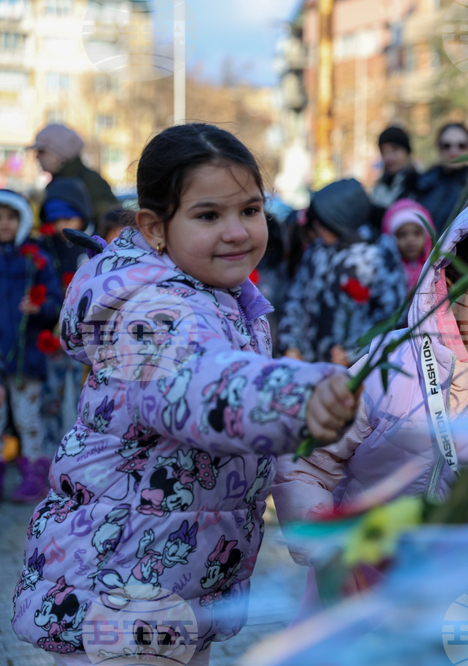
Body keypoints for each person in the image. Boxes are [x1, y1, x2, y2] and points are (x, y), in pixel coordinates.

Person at [11, 123, 359, 665]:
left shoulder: (226, 299)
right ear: (155, 228)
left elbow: (254, 441)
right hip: (119, 595)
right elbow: (196, 386)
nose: (237, 232)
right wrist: (296, 396)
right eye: (208, 215)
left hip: (171, 592)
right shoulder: (152, 311)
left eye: (250, 210)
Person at [271, 200, 468, 608]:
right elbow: (307, 462)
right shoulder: (389, 366)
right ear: (451, 288)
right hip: (356, 596)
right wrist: (332, 551)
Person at [279, 179, 407, 366]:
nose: (317, 228)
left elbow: (392, 313)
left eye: (323, 221)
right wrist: (291, 345)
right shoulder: (317, 249)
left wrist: (355, 352)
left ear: (340, 218)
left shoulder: (378, 251)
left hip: (354, 369)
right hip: (308, 365)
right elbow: (296, 298)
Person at [0, 189, 62, 503]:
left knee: (27, 418)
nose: (4, 223)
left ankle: (34, 474)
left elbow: (55, 302)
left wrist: (40, 308)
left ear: (23, 220)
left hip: (26, 354)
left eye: (11, 217)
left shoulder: (36, 258)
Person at [37, 178, 95, 462]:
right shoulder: (42, 248)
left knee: (85, 394)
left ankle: (84, 450)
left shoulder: (93, 247)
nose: (62, 225)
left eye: (69, 218)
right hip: (51, 335)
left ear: (82, 214)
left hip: (88, 336)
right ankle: (50, 451)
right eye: (55, 219)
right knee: (52, 394)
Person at [30, 124, 118, 220]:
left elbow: (110, 222)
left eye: (42, 151)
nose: (37, 157)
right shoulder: (57, 183)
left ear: (61, 154)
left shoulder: (90, 181)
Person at [414, 122, 468, 232]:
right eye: (447, 145)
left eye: (461, 145)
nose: (453, 151)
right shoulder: (422, 183)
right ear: (439, 147)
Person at [383, 198, 433, 291]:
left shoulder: (434, 269)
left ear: (427, 236)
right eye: (402, 235)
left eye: (417, 233)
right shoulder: (385, 272)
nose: (410, 240)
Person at [370, 126, 419, 218]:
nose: (388, 157)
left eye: (394, 149)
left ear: (406, 152)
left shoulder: (420, 183)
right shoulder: (379, 186)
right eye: (384, 151)